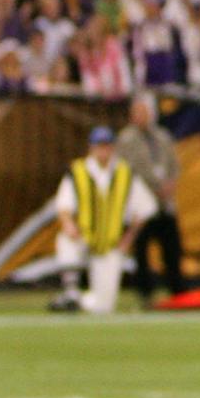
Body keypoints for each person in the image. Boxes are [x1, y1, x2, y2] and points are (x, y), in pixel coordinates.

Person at [52, 127, 156, 314]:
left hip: (110, 244)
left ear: (113, 148)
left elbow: (146, 208)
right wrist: (69, 224)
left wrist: (128, 239)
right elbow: (63, 205)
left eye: (106, 146)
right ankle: (71, 290)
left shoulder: (125, 172)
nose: (103, 151)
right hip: (84, 237)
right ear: (91, 148)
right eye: (99, 146)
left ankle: (76, 301)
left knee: (103, 307)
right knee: (65, 240)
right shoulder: (78, 170)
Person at [119, 93, 183, 303]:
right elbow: (125, 171)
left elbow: (174, 165)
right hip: (141, 205)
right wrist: (149, 189)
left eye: (144, 112)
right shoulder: (126, 140)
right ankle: (146, 293)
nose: (141, 116)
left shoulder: (162, 136)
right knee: (142, 251)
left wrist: (170, 185)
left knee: (172, 249)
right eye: (137, 112)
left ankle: (178, 292)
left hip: (165, 203)